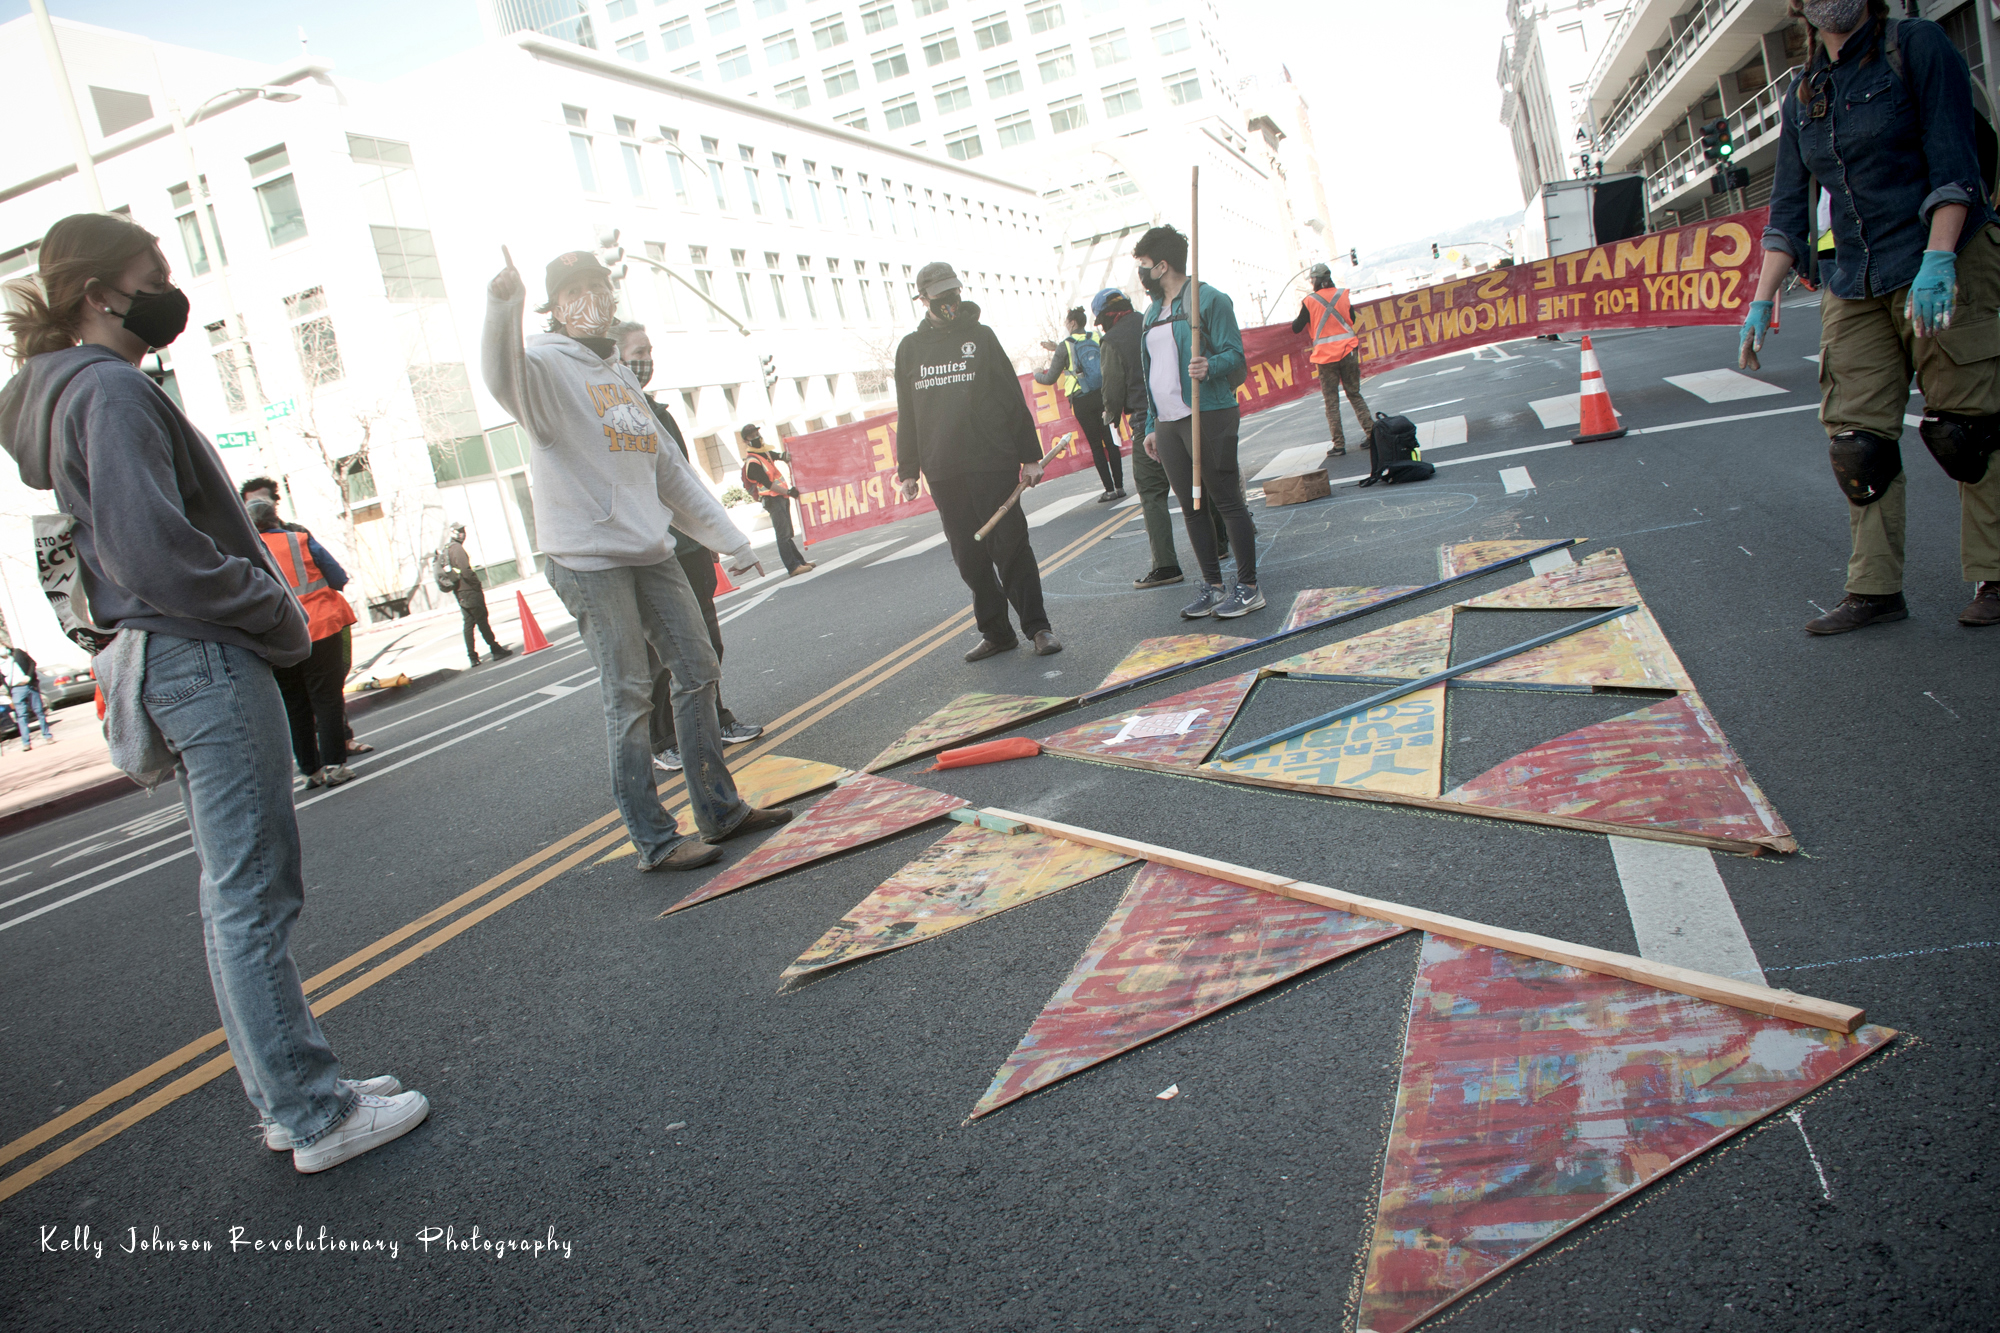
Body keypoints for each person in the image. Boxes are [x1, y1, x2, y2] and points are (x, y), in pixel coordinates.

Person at [0, 212, 427, 1171]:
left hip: (173, 657)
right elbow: (155, 549)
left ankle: (296, 1093)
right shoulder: (108, 388)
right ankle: (312, 1113)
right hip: (201, 653)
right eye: (152, 270)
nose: (168, 286)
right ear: (101, 293)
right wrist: (272, 610)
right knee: (251, 895)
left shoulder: (77, 392)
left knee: (240, 894)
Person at [483, 246, 792, 871]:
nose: (591, 301)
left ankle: (719, 808)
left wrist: (730, 541)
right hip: (586, 559)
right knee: (628, 694)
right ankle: (654, 839)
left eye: (598, 288)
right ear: (556, 307)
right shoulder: (540, 366)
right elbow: (500, 376)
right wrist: (502, 306)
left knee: (698, 666)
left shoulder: (619, 375)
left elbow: (669, 472)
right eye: (575, 293)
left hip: (649, 550)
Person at [1747, 0, 2000, 633]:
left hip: (1946, 255)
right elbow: (1787, 209)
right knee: (1857, 443)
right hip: (1856, 275)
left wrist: (1940, 257)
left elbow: (1956, 164)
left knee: (1966, 429)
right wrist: (1762, 296)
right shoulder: (1806, 91)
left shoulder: (1915, 47)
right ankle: (1876, 590)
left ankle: (1996, 574)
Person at [609, 319, 766, 770]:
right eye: (635, 352)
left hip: (688, 548)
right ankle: (664, 740)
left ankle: (713, 719)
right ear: (614, 358)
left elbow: (685, 481)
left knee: (705, 646)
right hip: (650, 552)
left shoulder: (660, 414)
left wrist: (716, 537)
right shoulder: (612, 417)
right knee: (661, 656)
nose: (644, 361)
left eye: (649, 352)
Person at [894, 262, 1062, 661]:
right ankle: (996, 633)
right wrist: (907, 469)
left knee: (1011, 547)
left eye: (953, 292)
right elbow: (908, 412)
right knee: (969, 556)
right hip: (943, 469)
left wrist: (1030, 457)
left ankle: (1038, 629)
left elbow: (1010, 396)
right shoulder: (910, 350)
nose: (950, 302)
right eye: (940, 297)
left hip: (991, 461)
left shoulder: (982, 337)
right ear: (923, 300)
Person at [1134, 225, 1264, 619]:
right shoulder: (1151, 313)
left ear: (1161, 265)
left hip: (1208, 413)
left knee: (1225, 500)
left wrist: (1211, 365)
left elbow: (1236, 357)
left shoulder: (1209, 300)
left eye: (1142, 265)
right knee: (1191, 506)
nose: (1139, 273)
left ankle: (1248, 586)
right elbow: (1151, 370)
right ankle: (1212, 585)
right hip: (1170, 421)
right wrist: (1151, 425)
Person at [1095, 287, 1229, 590]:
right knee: (1202, 480)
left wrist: (1109, 415)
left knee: (1153, 492)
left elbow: (1113, 389)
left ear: (1105, 317)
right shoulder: (1153, 320)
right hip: (1184, 410)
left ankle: (1166, 564)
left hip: (1149, 420)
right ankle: (1220, 542)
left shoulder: (1111, 340)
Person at [239, 477, 374, 754]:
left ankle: (315, 764)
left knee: (297, 700)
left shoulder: (243, 547)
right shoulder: (297, 538)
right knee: (324, 695)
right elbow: (336, 577)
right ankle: (333, 760)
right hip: (317, 625)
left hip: (279, 634)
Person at [1036, 307, 1125, 503]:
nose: (1066, 326)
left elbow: (1050, 378)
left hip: (1082, 400)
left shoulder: (1064, 346)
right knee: (1110, 442)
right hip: (1103, 395)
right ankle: (1120, 487)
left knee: (1096, 445)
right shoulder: (1095, 336)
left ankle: (1109, 490)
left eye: (1067, 323)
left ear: (1073, 323)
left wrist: (1036, 374)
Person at [1291, 262, 1375, 458]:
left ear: (1315, 280)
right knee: (1354, 394)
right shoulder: (1342, 294)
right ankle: (1372, 433)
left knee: (1331, 402)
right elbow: (1351, 319)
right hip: (1348, 351)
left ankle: (1339, 444)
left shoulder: (1310, 301)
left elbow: (1296, 327)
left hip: (1326, 358)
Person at [739, 425, 815, 576]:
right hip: (772, 499)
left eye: (756, 433)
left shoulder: (763, 454)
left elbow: (775, 455)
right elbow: (768, 484)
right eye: (751, 436)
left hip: (780, 497)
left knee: (787, 533)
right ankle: (793, 567)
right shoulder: (753, 462)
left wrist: (783, 456)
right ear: (745, 441)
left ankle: (799, 562)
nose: (756, 437)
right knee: (782, 535)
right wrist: (788, 491)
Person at [443, 524, 512, 664]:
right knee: (482, 621)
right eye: (461, 532)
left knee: (468, 624)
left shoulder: (448, 548)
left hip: (460, 592)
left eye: (464, 531)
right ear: (456, 534)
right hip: (469, 590)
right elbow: (466, 571)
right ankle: (495, 649)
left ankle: (472, 657)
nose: (464, 534)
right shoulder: (457, 549)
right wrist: (476, 585)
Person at [2, 648, 53, 748]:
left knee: (39, 712)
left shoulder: (17, 653)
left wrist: (29, 677)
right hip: (16, 689)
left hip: (29, 686)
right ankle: (26, 743)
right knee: (21, 716)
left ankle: (47, 736)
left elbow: (32, 663)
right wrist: (9, 691)